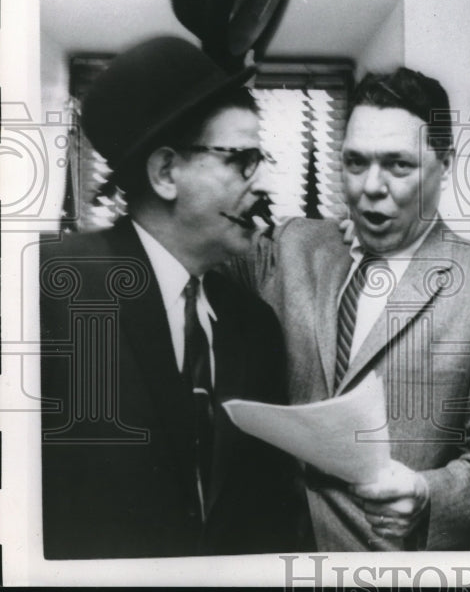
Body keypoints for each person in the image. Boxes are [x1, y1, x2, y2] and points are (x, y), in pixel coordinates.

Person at [236, 67, 470, 550]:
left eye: (398, 165)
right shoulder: (293, 246)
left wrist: (428, 494)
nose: (370, 187)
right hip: (271, 559)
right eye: (355, 163)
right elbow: (198, 242)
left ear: (445, 164)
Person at [40, 36, 310, 559]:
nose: (265, 184)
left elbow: (270, 510)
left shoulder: (254, 325)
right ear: (166, 173)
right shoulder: (51, 289)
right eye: (243, 160)